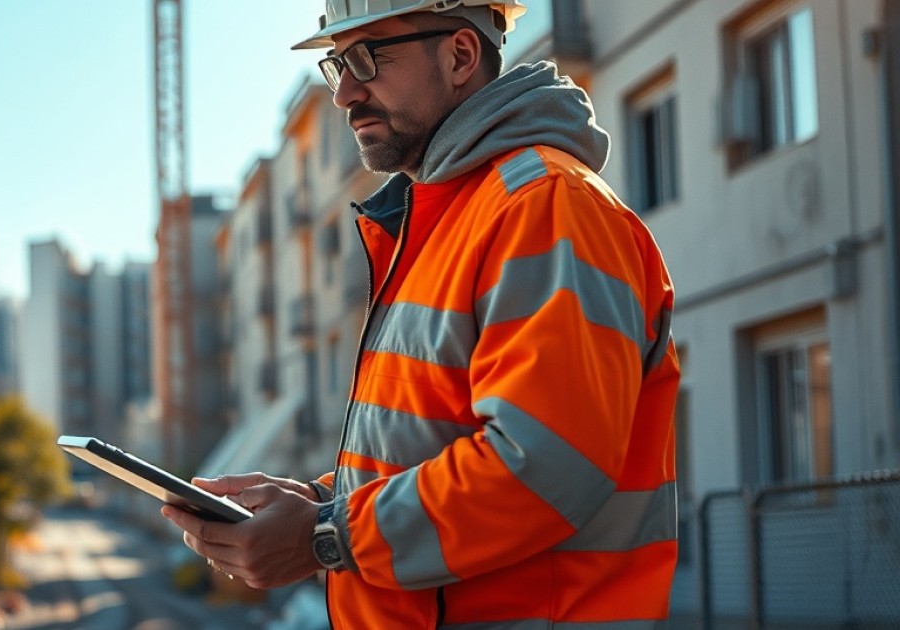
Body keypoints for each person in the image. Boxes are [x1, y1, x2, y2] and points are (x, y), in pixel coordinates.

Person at [162, 1, 681, 627]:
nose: (345, 93)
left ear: (460, 55)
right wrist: (323, 503)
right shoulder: (445, 224)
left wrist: (326, 535)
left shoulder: (545, 207)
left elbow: (542, 467)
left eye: (365, 57)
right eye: (336, 65)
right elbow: (436, 445)